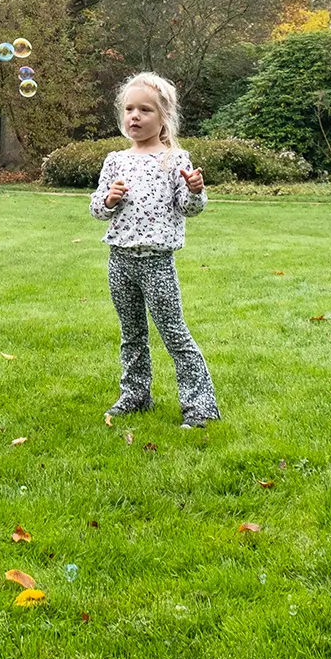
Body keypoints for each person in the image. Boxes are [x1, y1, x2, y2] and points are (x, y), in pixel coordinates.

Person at [89, 72, 220, 428]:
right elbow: (98, 210)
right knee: (131, 334)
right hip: (120, 260)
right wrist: (109, 199)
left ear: (164, 117)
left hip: (157, 263)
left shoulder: (175, 159)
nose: (135, 116)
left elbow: (190, 208)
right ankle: (135, 395)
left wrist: (194, 190)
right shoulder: (115, 160)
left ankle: (200, 406)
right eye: (129, 109)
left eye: (145, 110)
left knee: (174, 334)